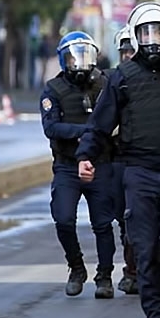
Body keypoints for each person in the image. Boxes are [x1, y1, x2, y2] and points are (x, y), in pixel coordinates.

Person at [77, 1, 160, 318]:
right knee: (144, 250)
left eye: (158, 33)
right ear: (135, 36)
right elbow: (101, 123)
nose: (152, 40)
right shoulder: (121, 78)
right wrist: (86, 155)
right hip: (139, 172)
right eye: (146, 33)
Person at [40, 31, 116, 299]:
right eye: (74, 57)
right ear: (64, 60)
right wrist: (83, 131)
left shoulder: (105, 85)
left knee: (103, 223)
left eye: (85, 56)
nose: (80, 63)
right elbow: (51, 127)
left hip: (100, 163)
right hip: (67, 165)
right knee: (63, 218)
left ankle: (105, 275)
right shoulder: (54, 89)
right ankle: (76, 266)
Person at [108, 26, 139, 295]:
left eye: (133, 50)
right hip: (117, 157)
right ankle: (132, 269)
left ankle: (143, 269)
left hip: (146, 158)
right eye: (124, 51)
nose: (128, 55)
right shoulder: (112, 79)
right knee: (124, 218)